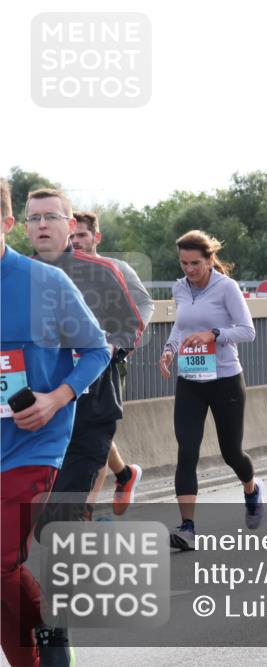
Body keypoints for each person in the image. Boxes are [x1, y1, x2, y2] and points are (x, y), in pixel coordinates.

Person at [1, 178, 109, 667]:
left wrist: (56, 398)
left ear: (7, 224)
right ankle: (40, 635)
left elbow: (96, 350)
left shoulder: (46, 282)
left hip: (33, 446)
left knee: (1, 559)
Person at [26, 190, 143, 533]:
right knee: (28, 523)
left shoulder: (102, 272)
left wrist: (104, 350)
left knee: (59, 519)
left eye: (52, 217)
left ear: (71, 225)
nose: (43, 225)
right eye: (35, 218)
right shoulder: (17, 275)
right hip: (33, 416)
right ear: (24, 226)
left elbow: (131, 327)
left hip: (91, 409)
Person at [158, 231, 261, 549]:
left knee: (232, 452)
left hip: (225, 380)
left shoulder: (226, 288)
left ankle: (251, 488)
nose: (189, 269)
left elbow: (248, 331)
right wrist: (169, 349)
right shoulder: (179, 287)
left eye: (196, 263)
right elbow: (181, 325)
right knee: (187, 452)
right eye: (184, 263)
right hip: (190, 381)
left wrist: (213, 334)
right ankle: (187, 528)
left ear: (209, 259)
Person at [71, 211, 153, 516]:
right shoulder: (62, 271)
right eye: (72, 236)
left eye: (82, 235)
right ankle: (125, 475)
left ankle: (85, 510)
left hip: (109, 360)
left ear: (97, 237)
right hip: (73, 361)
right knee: (89, 431)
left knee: (96, 431)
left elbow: (144, 304)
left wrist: (123, 343)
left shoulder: (115, 268)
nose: (76, 242)